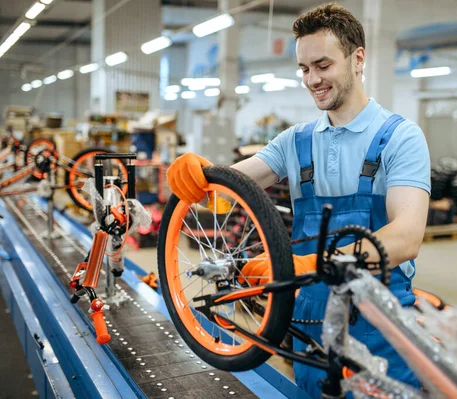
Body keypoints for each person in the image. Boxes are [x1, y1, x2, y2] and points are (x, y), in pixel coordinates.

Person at [166, 3, 431, 397]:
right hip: (308, 321)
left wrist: (311, 263)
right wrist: (201, 173)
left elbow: (407, 236)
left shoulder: (400, 138)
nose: (312, 80)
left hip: (378, 325)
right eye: (304, 69)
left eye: (322, 65)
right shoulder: (296, 141)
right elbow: (233, 181)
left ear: (358, 59)